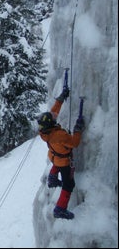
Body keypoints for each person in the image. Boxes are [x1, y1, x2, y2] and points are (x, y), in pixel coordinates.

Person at [37, 86, 85, 219]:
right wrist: (78, 130)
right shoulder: (59, 135)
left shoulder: (44, 131)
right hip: (64, 162)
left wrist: (60, 99)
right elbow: (74, 143)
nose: (54, 119)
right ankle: (60, 209)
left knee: (56, 162)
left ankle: (52, 179)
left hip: (54, 156)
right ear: (51, 125)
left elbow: (53, 113)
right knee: (69, 184)